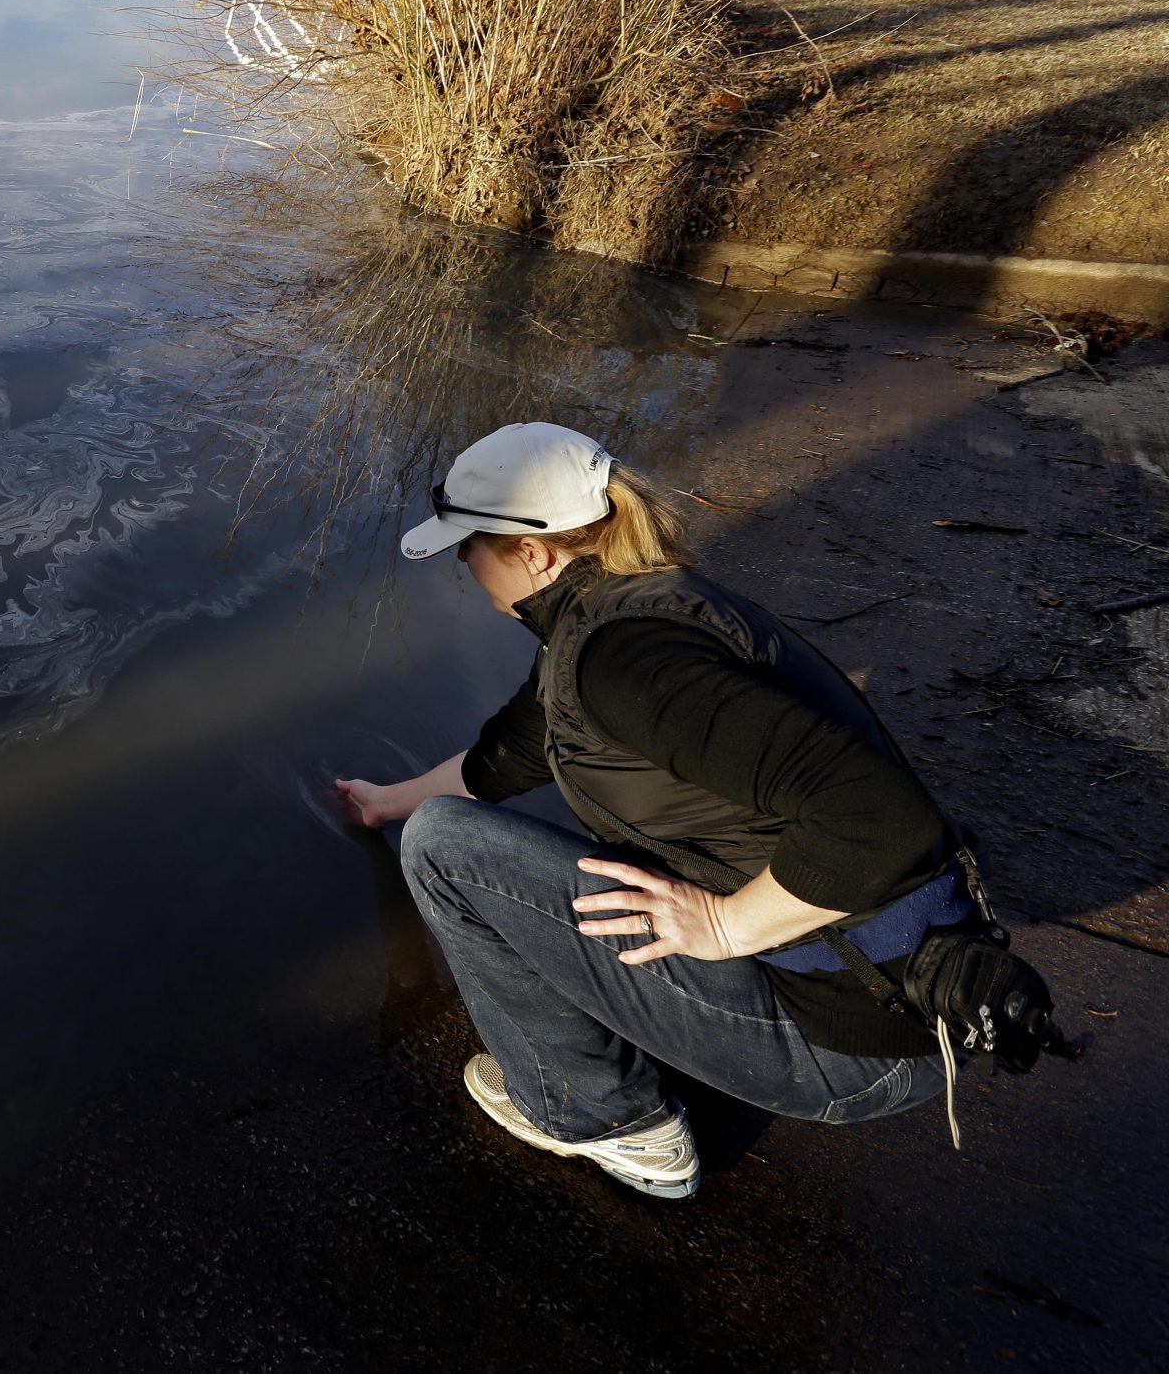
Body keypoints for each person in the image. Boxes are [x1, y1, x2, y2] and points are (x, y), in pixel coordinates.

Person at [334, 421, 972, 1199]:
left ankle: (603, 1118)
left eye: (468, 545)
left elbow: (884, 818)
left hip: (859, 1048)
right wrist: (383, 802)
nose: (463, 564)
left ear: (531, 553)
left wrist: (727, 923)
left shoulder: (624, 665)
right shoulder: (623, 616)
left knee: (440, 849)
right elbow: (502, 760)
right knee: (451, 823)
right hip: (888, 1001)